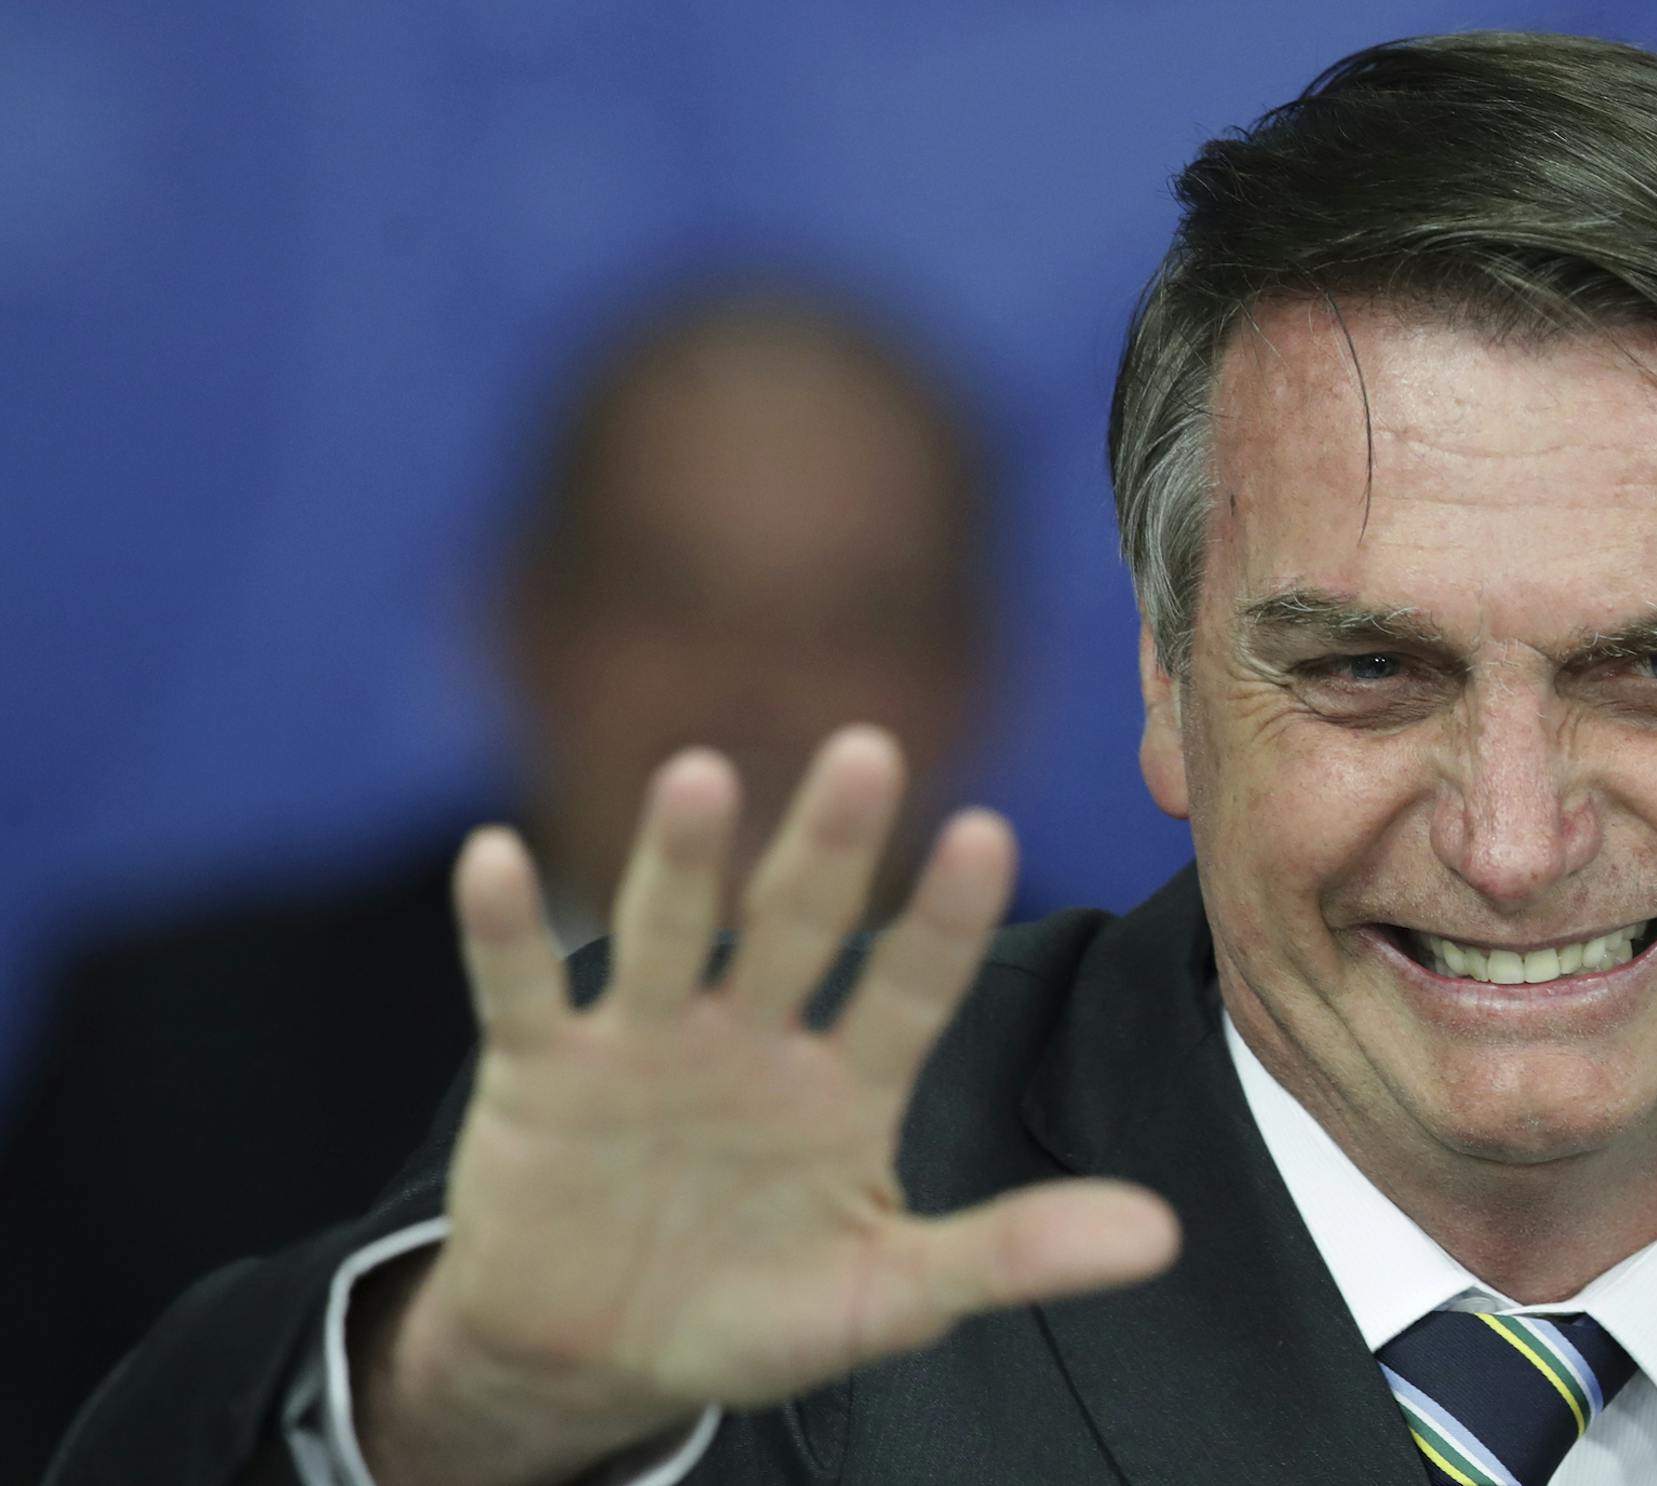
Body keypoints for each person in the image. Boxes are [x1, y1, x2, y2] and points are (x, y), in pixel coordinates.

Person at [46, 31, 1657, 1486]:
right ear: (1165, 686)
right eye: (1366, 673)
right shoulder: (793, 1223)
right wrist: (460, 1414)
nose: (1514, 837)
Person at [6, 285, 988, 1475]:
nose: (755, 686)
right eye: (668, 594)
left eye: (855, 618)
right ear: (521, 624)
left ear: (978, 676)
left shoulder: (1142, 1093)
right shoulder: (179, 1056)